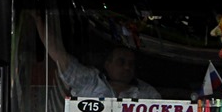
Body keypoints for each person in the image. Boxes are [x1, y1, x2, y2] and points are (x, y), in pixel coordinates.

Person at [31, 12, 160, 100]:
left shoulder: (147, 94)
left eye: (131, 64)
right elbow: (60, 57)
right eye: (121, 62)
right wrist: (38, 20)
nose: (127, 67)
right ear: (107, 64)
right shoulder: (89, 81)